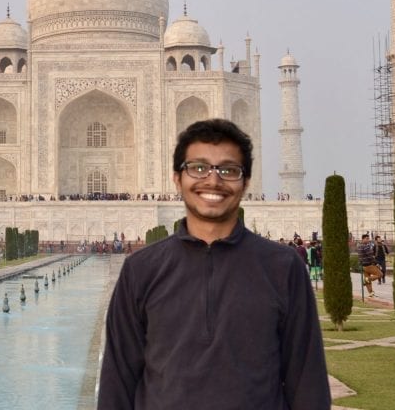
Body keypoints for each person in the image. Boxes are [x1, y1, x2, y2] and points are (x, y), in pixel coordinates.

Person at [97, 119, 330, 409]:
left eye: (229, 170)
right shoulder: (142, 269)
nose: (213, 180)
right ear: (177, 178)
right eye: (198, 168)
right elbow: (117, 381)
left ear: (245, 182)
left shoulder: (282, 267)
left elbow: (308, 382)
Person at [357, 233, 382, 297]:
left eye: (368, 239)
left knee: (368, 280)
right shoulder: (366, 246)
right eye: (367, 239)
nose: (368, 240)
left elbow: (360, 256)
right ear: (363, 239)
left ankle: (371, 293)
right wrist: (376, 263)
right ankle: (367, 279)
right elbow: (370, 256)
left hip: (363, 265)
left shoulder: (359, 246)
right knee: (380, 274)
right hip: (369, 265)